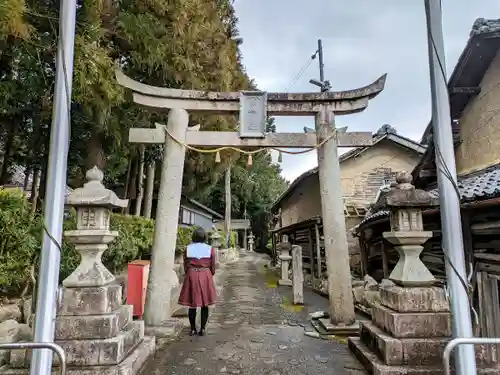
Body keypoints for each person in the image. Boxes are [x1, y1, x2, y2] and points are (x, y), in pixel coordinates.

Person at [178, 226, 217, 336]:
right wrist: (211, 273)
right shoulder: (210, 249)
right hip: (205, 274)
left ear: (194, 236)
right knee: (205, 304)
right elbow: (213, 265)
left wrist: (188, 273)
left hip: (192, 274)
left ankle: (192, 328)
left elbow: (185, 263)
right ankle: (203, 328)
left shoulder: (188, 248)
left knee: (192, 303)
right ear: (204, 236)